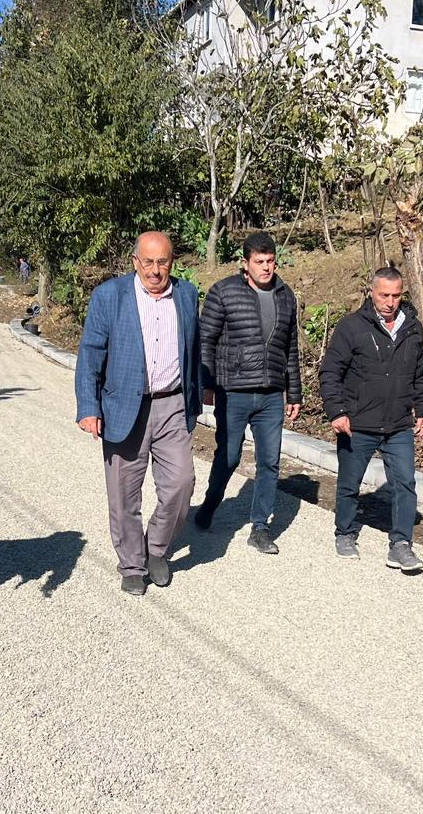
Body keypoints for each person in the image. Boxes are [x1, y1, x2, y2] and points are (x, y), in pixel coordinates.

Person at [74, 231, 202, 595]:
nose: (155, 270)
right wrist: (88, 406)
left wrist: (200, 389)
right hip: (123, 407)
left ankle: (156, 549)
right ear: (135, 262)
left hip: (173, 404)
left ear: (172, 262)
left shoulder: (187, 294)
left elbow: (194, 348)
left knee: (180, 485)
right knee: (124, 494)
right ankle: (132, 563)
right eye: (148, 262)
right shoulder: (110, 296)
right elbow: (91, 353)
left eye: (162, 261)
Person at [318, 266, 423, 573]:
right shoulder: (352, 327)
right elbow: (330, 373)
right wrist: (337, 411)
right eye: (384, 295)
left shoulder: (412, 328)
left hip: (398, 423)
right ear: (372, 292)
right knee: (349, 483)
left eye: (396, 295)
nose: (390, 301)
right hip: (358, 422)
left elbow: (419, 374)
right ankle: (345, 532)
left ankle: (401, 545)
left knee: (405, 483)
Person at [195, 231, 302, 553]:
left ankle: (260, 527)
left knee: (269, 462)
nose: (266, 268)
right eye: (259, 262)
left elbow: (291, 348)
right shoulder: (224, 292)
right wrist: (207, 383)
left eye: (270, 261)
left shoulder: (286, 296)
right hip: (234, 391)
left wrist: (294, 393)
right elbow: (206, 341)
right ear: (246, 263)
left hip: (271, 394)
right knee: (228, 457)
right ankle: (210, 504)